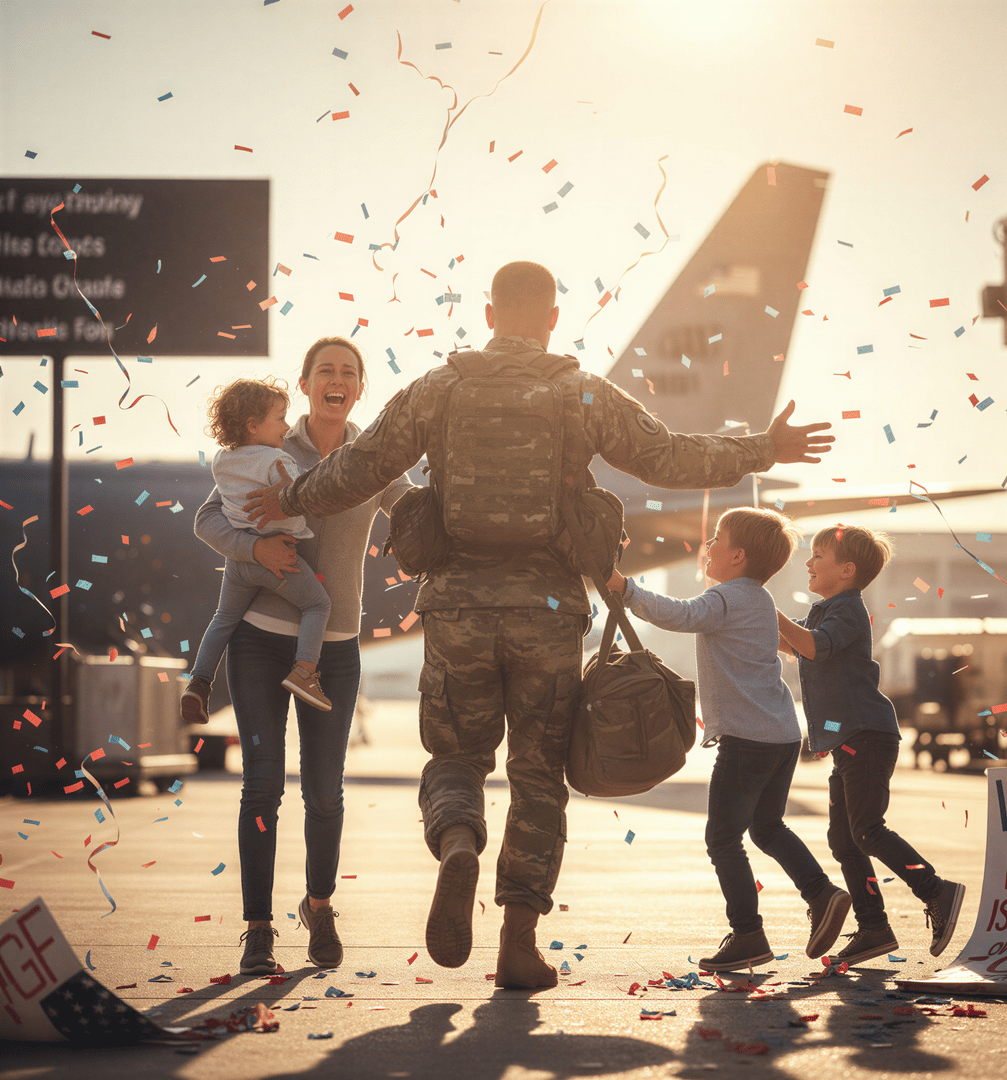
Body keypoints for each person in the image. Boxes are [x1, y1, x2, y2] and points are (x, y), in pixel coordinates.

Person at [244, 260, 835, 989]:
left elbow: (360, 469)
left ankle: (458, 838)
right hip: (550, 612)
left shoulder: (438, 387)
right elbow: (666, 458)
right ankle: (517, 942)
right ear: (553, 319)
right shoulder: (580, 391)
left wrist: (288, 497)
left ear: (489, 316)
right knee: (538, 776)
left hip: (456, 605)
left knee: (456, 758)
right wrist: (762, 449)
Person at [192, 337, 411, 976]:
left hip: (335, 647)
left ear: (359, 388)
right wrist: (253, 550)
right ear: (308, 383)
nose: (335, 380)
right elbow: (208, 520)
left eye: (347, 371)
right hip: (261, 639)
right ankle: (257, 929)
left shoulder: (375, 459)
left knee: (324, 793)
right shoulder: (270, 448)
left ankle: (319, 905)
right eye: (324, 371)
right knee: (261, 787)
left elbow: (418, 513)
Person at [607, 508, 851, 971]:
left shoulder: (725, 598)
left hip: (747, 740)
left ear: (737, 556)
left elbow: (679, 615)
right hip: (780, 736)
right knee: (767, 827)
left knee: (723, 840)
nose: (708, 546)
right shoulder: (759, 600)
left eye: (716, 539)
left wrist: (627, 589)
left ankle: (748, 936)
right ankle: (822, 894)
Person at [777, 524, 966, 966]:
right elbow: (789, 645)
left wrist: (766, 608)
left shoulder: (847, 611)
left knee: (866, 830)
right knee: (844, 841)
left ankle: (936, 890)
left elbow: (809, 646)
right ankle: (874, 928)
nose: (808, 563)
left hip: (867, 735)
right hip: (849, 741)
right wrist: (740, 607)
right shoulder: (826, 609)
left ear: (846, 570)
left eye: (817, 556)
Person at [181, 376, 334, 724]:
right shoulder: (280, 462)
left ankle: (199, 682)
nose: (286, 426)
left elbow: (216, 509)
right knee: (317, 603)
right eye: (280, 418)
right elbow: (295, 510)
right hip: (279, 556)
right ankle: (304, 672)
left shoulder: (222, 460)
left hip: (239, 560)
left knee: (223, 619)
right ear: (253, 425)